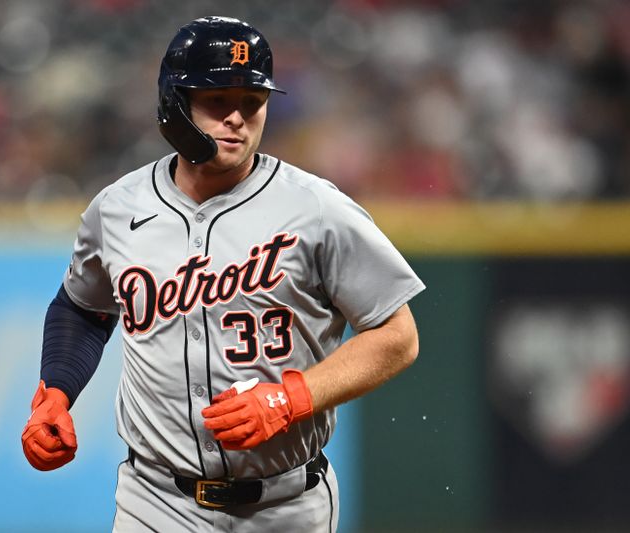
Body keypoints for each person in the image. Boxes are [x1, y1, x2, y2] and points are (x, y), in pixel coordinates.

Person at [21, 15, 425, 532]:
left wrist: (291, 397)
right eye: (217, 100)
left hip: (287, 504)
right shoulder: (118, 208)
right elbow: (82, 308)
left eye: (252, 102)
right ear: (174, 103)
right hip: (156, 500)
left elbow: (398, 336)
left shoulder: (317, 209)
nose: (237, 117)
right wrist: (56, 390)